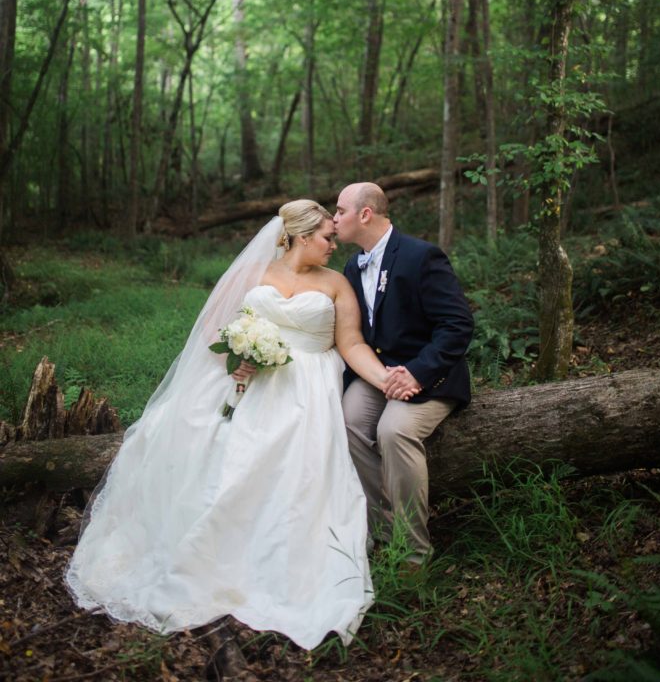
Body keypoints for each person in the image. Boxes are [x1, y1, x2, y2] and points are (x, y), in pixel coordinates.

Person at [66, 200, 416, 650]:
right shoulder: (253, 273)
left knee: (291, 462)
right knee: (204, 446)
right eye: (327, 237)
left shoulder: (336, 283)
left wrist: (386, 380)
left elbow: (350, 344)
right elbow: (213, 328)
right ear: (301, 237)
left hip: (306, 387)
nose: (334, 245)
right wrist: (236, 357)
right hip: (247, 383)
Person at [334, 182, 474, 564]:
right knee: (347, 421)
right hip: (379, 374)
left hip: (431, 375)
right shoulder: (352, 266)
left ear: (365, 214)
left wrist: (417, 372)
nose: (334, 219)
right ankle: (383, 532)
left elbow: (458, 325)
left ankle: (414, 553)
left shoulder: (421, 256)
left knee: (393, 430)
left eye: (340, 210)